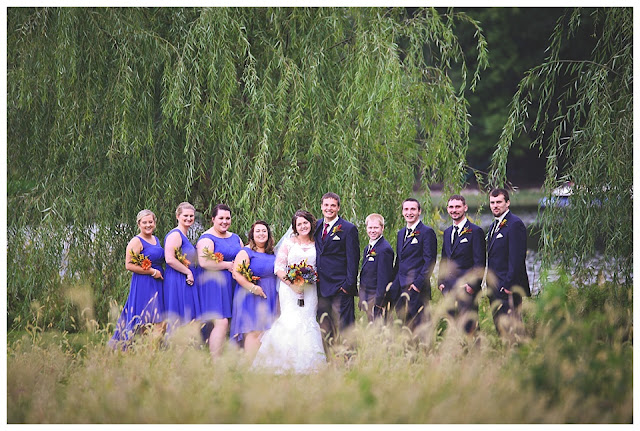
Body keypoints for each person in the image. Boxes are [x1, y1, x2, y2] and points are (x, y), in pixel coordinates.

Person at [252, 210, 326, 374]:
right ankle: (282, 363)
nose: (303, 226)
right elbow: (278, 267)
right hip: (289, 289)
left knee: (307, 320)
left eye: (305, 222)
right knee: (290, 319)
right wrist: (292, 284)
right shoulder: (289, 243)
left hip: (309, 289)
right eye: (299, 224)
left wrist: (308, 280)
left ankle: (309, 364)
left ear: (310, 224)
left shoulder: (317, 243)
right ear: (295, 227)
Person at [109, 209, 165, 348]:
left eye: (150, 222)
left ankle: (150, 352)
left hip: (158, 284)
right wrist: (152, 271)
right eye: (144, 222)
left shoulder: (155, 239)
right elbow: (129, 265)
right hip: (144, 283)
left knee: (159, 320)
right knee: (145, 320)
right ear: (139, 224)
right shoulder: (136, 241)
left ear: (155, 223)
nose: (148, 225)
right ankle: (138, 350)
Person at [196, 204, 243, 357]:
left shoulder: (235, 237)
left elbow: (244, 255)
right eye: (221, 218)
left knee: (224, 322)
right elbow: (204, 262)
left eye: (227, 218)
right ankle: (216, 362)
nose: (224, 221)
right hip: (214, 284)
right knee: (221, 321)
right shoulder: (207, 238)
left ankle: (207, 354)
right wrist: (227, 265)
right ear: (213, 219)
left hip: (232, 284)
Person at [314, 192, 360, 343]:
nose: (329, 208)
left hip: (340, 287)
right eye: (326, 205)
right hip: (321, 287)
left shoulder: (348, 229)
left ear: (338, 208)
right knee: (325, 326)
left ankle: (349, 356)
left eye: (333, 205)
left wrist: (348, 285)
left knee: (345, 327)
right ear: (321, 207)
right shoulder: (316, 226)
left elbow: (353, 259)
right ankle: (329, 355)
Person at [437, 195, 486, 334]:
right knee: (453, 326)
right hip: (449, 288)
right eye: (451, 207)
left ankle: (476, 348)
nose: (454, 210)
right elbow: (444, 259)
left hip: (466, 289)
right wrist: (441, 282)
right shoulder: (447, 232)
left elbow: (480, 262)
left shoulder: (475, 231)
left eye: (458, 207)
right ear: (447, 209)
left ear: (465, 208)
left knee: (470, 327)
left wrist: (472, 286)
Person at [229, 220, 278, 359]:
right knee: (253, 330)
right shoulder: (246, 251)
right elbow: (236, 273)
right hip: (252, 296)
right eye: (258, 231)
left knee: (266, 331)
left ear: (268, 234)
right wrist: (253, 288)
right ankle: (249, 364)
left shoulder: (272, 253)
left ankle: (261, 365)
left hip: (270, 294)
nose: (261, 234)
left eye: (264, 231)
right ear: (252, 234)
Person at [486, 188, 531, 336]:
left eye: (499, 202)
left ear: (507, 203)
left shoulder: (515, 224)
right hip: (494, 287)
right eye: (492, 202)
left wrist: (508, 285)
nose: (495, 206)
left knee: (513, 327)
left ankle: (521, 350)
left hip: (508, 287)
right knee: (500, 327)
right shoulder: (494, 226)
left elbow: (517, 258)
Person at [389, 198, 437, 330]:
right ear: (402, 212)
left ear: (419, 211)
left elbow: (430, 261)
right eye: (406, 209)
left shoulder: (427, 232)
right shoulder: (401, 233)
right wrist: (393, 285)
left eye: (413, 209)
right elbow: (399, 261)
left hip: (417, 290)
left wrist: (417, 285)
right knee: (404, 328)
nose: (409, 212)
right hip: (400, 289)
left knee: (421, 327)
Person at [164, 202, 200, 332]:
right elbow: (169, 259)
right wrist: (188, 272)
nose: (189, 218)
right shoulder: (176, 234)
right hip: (177, 278)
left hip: (184, 278)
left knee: (188, 316)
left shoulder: (184, 235)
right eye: (185, 215)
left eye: (191, 216)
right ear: (178, 216)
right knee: (180, 315)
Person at [358, 213, 395, 322]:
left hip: (377, 300)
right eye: (370, 228)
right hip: (367, 297)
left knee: (380, 328)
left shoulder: (384, 249)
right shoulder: (367, 248)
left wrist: (379, 303)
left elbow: (384, 278)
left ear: (382, 228)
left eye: (376, 228)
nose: (372, 231)